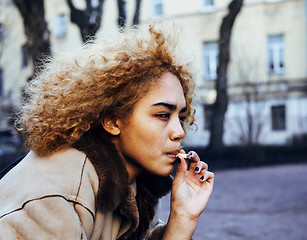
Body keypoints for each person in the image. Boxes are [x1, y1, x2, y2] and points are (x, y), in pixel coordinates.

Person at [0, 24, 214, 240]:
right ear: (112, 121)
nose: (179, 132)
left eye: (182, 117)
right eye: (162, 115)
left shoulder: (134, 188)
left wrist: (182, 218)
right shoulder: (57, 194)